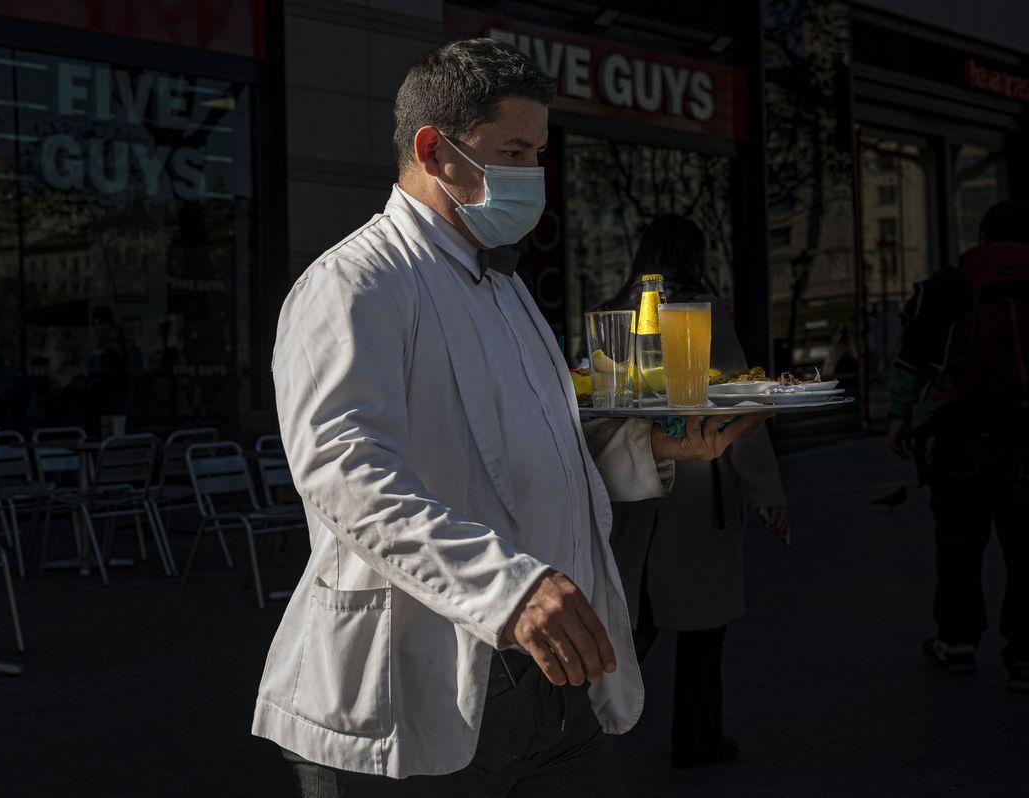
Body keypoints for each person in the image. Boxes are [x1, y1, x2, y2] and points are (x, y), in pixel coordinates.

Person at [251, 39, 770, 796]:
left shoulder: (504, 288)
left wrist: (657, 451)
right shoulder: (354, 284)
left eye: (538, 152)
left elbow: (537, 450)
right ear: (435, 150)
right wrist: (510, 590)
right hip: (419, 688)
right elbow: (346, 475)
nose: (534, 175)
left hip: (552, 684)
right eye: (515, 151)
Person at [599, 214, 789, 768]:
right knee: (702, 626)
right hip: (698, 485)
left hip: (634, 483)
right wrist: (766, 493)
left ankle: (587, 731)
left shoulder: (621, 310)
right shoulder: (702, 310)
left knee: (636, 618)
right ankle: (697, 739)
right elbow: (738, 405)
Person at [887, 200, 1029, 695]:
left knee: (958, 546)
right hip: (1024, 438)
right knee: (1023, 551)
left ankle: (958, 642)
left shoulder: (950, 285)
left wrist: (898, 419)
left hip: (957, 436)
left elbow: (913, 358)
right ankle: (1024, 659)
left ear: (982, 236)